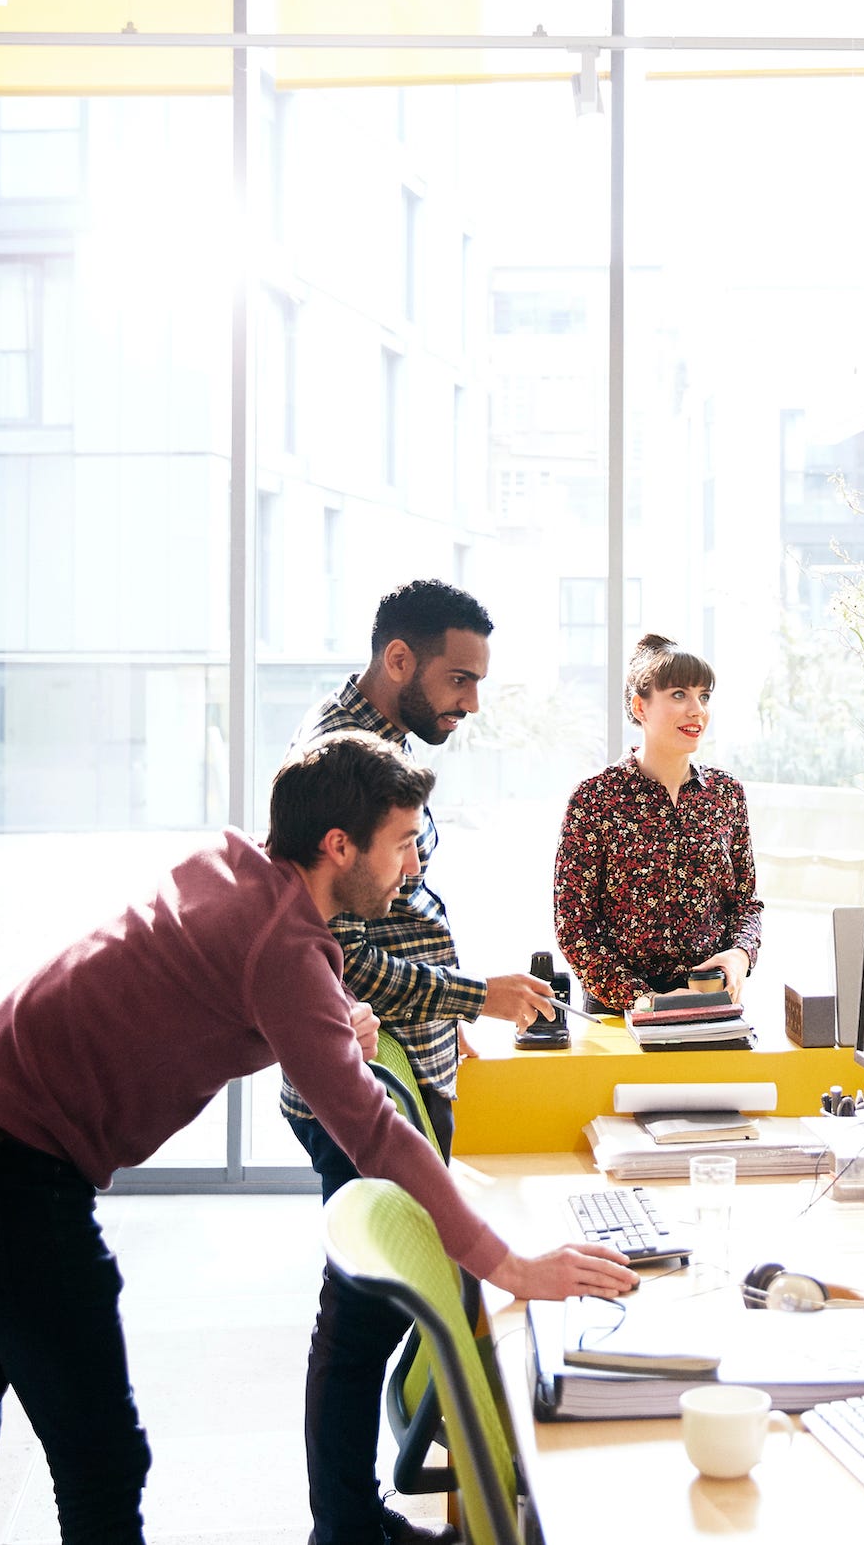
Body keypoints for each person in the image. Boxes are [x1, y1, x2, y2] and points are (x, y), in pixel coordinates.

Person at [0, 731, 634, 1545]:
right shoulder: (286, 949)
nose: (413, 866)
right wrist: (508, 1264)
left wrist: (325, 1020)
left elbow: (212, 979)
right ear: (339, 845)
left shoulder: (237, 868)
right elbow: (376, 1133)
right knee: (101, 1462)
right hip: (9, 1179)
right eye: (403, 842)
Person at [279, 578, 557, 1545]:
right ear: (398, 660)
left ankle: (355, 1516)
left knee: (375, 1307)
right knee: (358, 1316)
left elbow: (398, 913)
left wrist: (452, 1020)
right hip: (355, 1072)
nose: (470, 703)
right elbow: (336, 949)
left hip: (409, 1057)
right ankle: (346, 1528)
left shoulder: (384, 747)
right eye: (458, 678)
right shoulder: (339, 760)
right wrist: (468, 992)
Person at [553, 634, 764, 1012]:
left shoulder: (726, 793)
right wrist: (647, 1001)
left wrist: (740, 956)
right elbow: (574, 927)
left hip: (710, 1001)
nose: (697, 709)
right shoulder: (595, 798)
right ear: (640, 706)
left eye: (704, 696)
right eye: (679, 694)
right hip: (620, 1010)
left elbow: (745, 904)